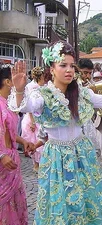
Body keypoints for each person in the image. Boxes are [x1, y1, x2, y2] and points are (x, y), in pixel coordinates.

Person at [8, 41, 102, 224]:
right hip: (57, 157)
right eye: (63, 65)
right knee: (60, 203)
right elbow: (26, 106)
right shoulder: (43, 95)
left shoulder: (81, 94)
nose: (69, 70)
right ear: (52, 68)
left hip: (82, 155)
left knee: (86, 200)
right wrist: (19, 90)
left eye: (72, 65)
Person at [0, 65, 34, 225]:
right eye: (13, 78)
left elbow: (10, 132)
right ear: (7, 81)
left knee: (15, 200)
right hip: (3, 161)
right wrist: (1, 155)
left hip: (12, 157)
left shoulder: (8, 104)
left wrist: (23, 141)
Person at [21, 66, 45, 172]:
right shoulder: (34, 87)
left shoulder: (34, 85)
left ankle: (38, 164)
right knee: (35, 140)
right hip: (33, 117)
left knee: (36, 140)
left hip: (35, 116)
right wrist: (33, 121)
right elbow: (30, 105)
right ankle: (37, 164)